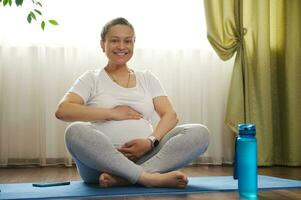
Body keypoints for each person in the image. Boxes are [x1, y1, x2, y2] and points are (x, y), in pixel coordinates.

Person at [55, 17, 210, 188]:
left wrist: (151, 141)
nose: (122, 46)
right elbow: (63, 110)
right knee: (75, 131)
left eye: (127, 41)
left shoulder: (147, 78)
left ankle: (126, 178)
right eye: (114, 41)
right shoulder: (91, 78)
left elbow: (170, 115)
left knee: (200, 133)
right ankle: (148, 178)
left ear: (133, 44)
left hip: (147, 155)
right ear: (102, 44)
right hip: (100, 163)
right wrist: (112, 113)